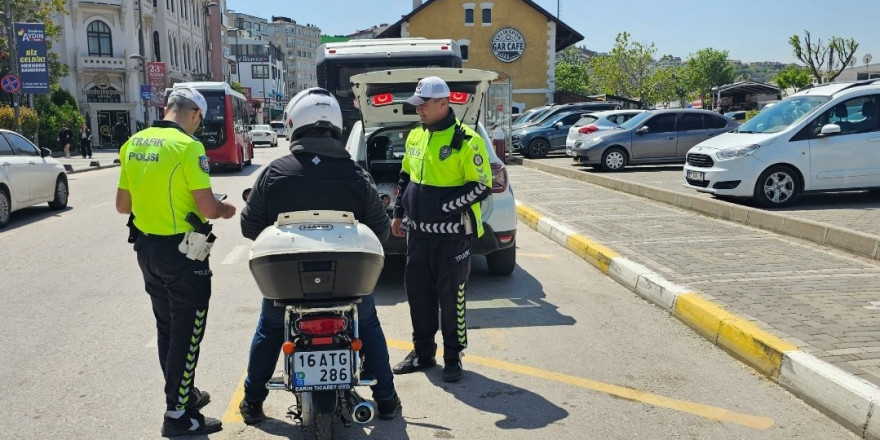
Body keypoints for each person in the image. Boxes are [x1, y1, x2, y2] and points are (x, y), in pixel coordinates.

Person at [238, 87, 401, 424]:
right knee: (367, 323)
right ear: (336, 127)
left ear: (293, 124)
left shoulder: (274, 172)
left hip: (286, 284)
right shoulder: (357, 175)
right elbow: (380, 232)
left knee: (270, 327)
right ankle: (386, 399)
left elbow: (249, 226)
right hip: (348, 281)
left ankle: (252, 402)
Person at [116, 87, 236, 437]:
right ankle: (177, 416)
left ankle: (182, 396)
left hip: (147, 250)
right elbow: (208, 208)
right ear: (195, 114)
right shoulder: (188, 147)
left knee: (168, 328)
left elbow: (124, 207)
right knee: (188, 332)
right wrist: (226, 209)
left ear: (168, 108)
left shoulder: (133, 143)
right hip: (182, 254)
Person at [390, 76, 492, 383]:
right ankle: (422, 353)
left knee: (452, 300)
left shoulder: (467, 140)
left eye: (424, 105)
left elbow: (481, 186)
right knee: (418, 297)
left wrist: (443, 208)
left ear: (444, 103)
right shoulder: (415, 136)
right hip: (417, 236)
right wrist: (398, 213)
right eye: (417, 105)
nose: (418, 110)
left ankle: (452, 358)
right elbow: (405, 177)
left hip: (452, 237)